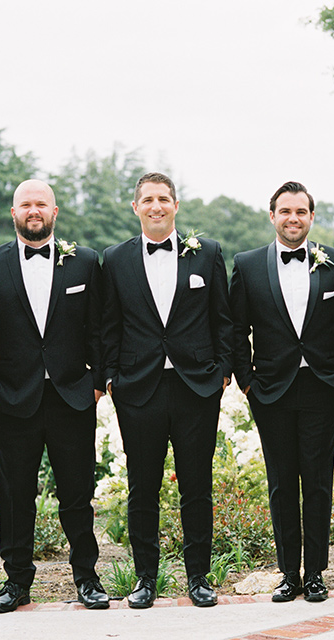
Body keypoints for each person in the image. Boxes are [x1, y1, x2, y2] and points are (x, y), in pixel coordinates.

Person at [0, 179, 109, 612]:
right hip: (11, 400)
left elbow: (101, 328)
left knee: (77, 493)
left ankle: (87, 579)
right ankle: (16, 584)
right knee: (15, 495)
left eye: (41, 204)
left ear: (55, 211)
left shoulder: (85, 262)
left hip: (72, 396)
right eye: (26, 204)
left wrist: (98, 383)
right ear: (13, 213)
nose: (34, 211)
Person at [102, 171, 233, 608]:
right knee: (143, 486)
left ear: (176, 205)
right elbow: (108, 325)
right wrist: (110, 378)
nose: (156, 206)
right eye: (148, 200)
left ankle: (199, 577)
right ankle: (145, 579)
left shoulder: (207, 253)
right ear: (135, 207)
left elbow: (223, 319)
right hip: (138, 388)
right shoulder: (115, 260)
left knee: (197, 484)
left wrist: (222, 372)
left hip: (196, 387)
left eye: (163, 199)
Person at [229, 181, 334, 603]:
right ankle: (287, 575)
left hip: (323, 387)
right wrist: (247, 380)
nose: (293, 218)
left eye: (301, 211)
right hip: (271, 390)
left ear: (312, 216)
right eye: (285, 211)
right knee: (281, 483)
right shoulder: (247, 265)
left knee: (318, 482)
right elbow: (234, 329)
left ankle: (315, 573)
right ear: (272, 216)